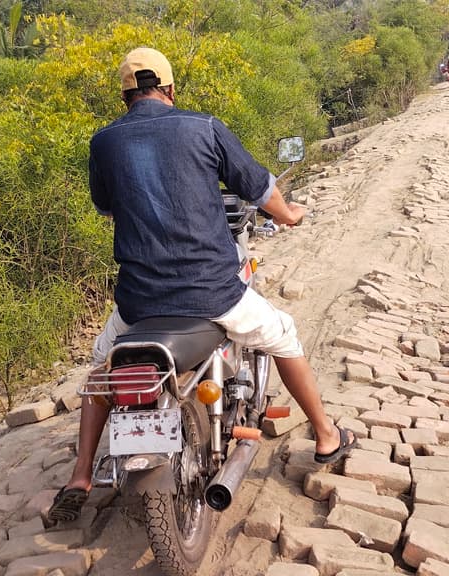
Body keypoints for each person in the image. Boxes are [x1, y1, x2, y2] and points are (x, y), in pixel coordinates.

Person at [47, 47, 357, 522]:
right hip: (212, 291)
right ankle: (327, 435)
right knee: (284, 334)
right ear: (170, 90)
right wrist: (290, 214)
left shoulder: (104, 141)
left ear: (125, 96)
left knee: (101, 368)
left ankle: (82, 474)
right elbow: (257, 188)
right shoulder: (204, 127)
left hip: (139, 303)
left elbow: (106, 206)